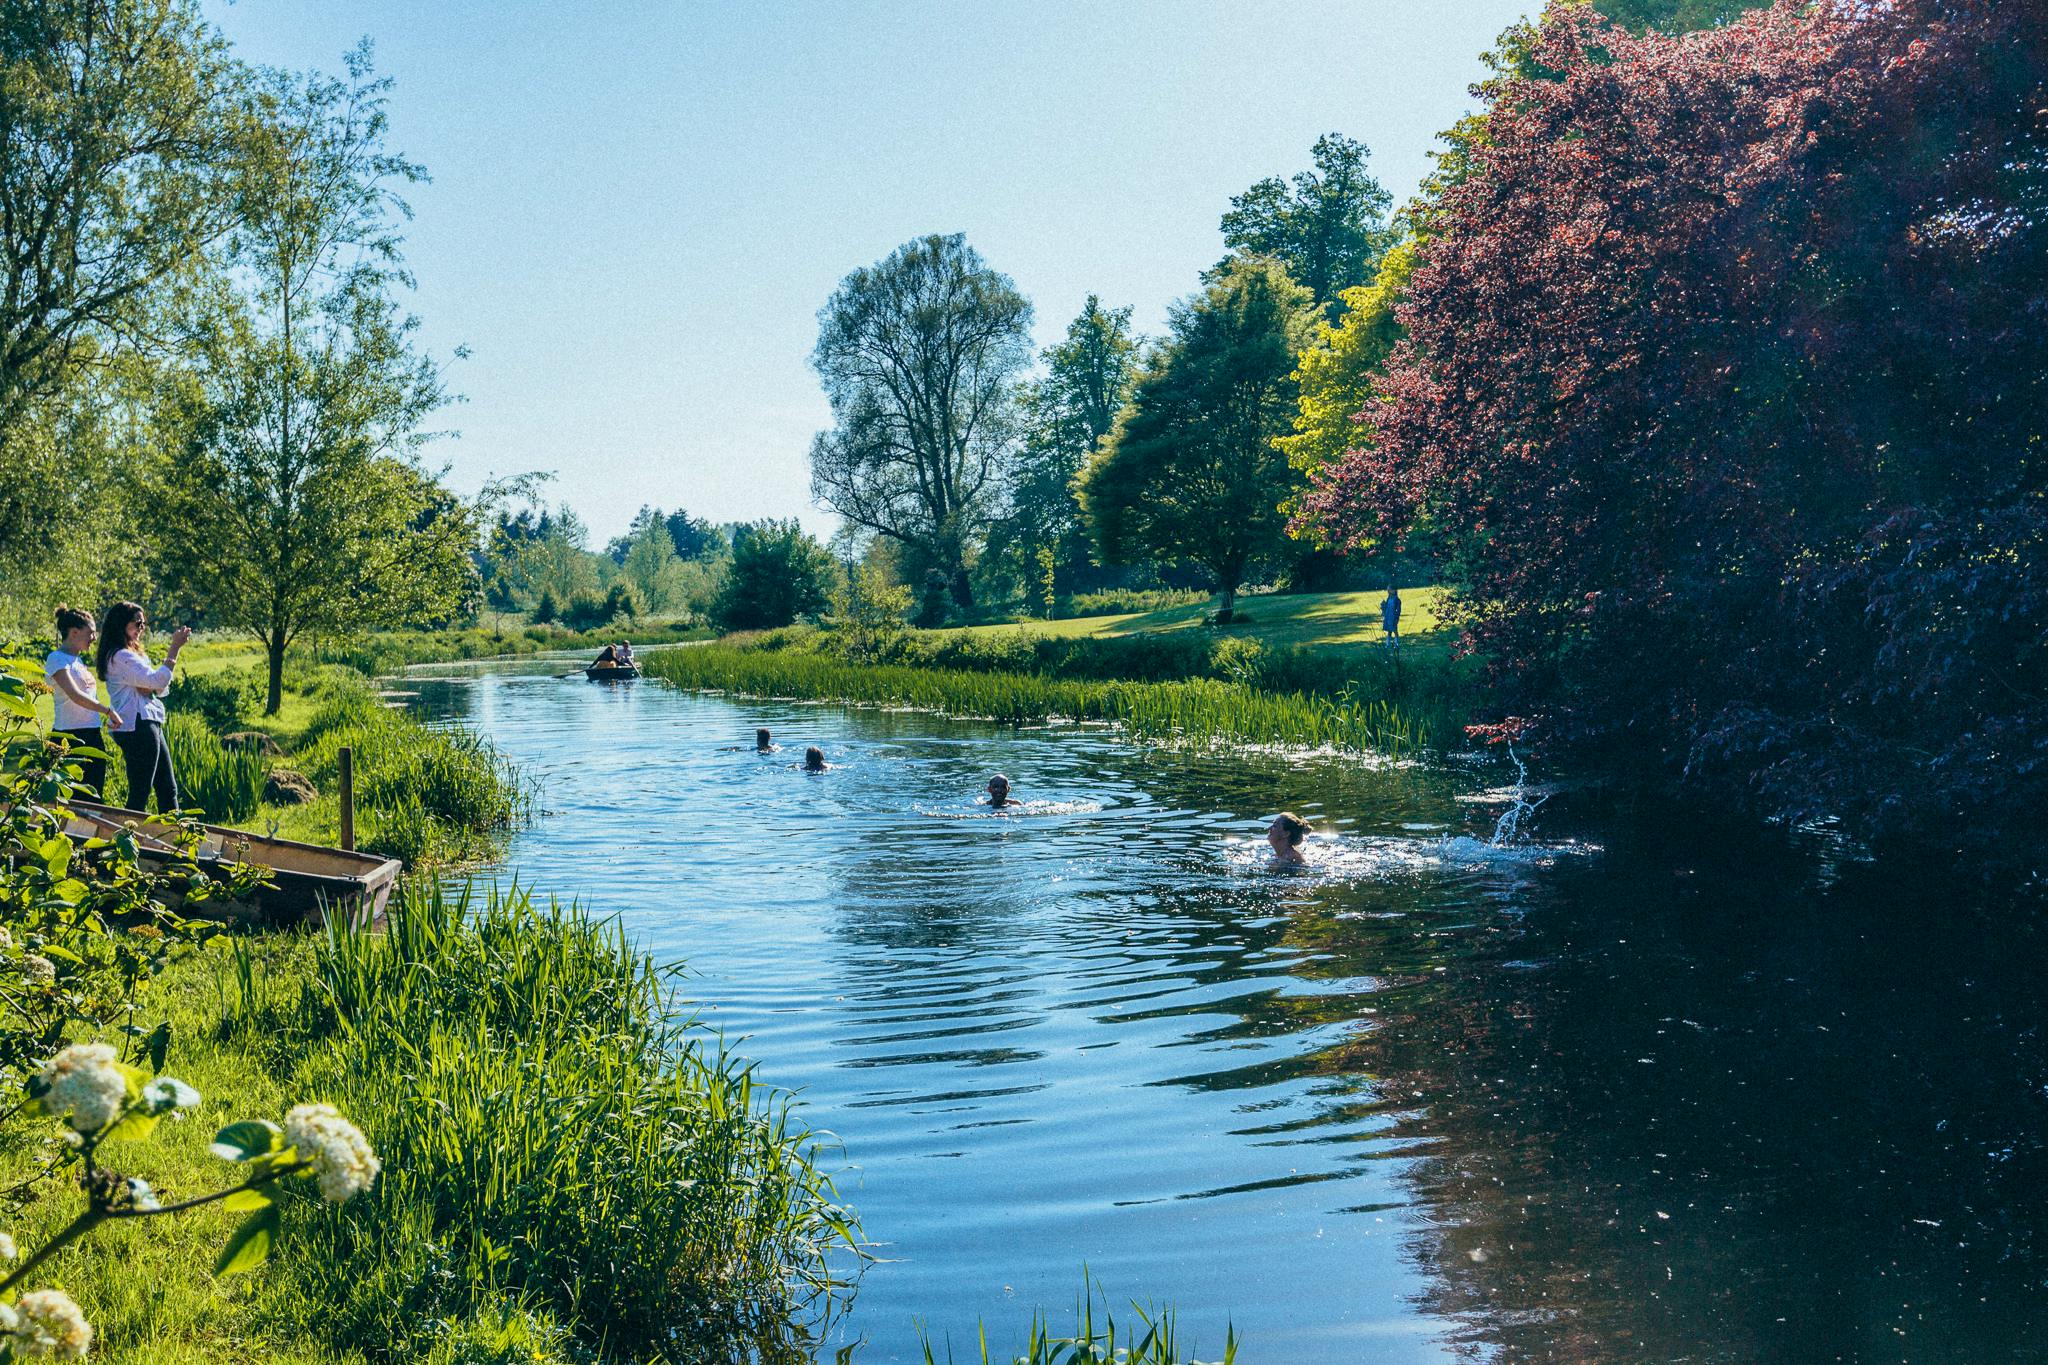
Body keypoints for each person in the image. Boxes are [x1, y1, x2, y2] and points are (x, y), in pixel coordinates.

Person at [97, 602, 187, 814]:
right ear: (121, 624)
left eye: (144, 624)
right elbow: (156, 681)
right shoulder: (121, 656)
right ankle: (126, 840)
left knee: (168, 788)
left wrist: (152, 686)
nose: (141, 628)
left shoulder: (132, 653)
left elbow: (155, 687)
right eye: (137, 623)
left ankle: (176, 839)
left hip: (147, 722)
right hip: (136, 725)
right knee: (140, 792)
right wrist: (174, 648)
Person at [44, 605, 120, 796]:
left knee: (93, 794)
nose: (94, 638)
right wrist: (108, 711)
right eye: (91, 633)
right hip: (68, 737)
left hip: (92, 734)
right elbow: (75, 695)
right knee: (71, 799)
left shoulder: (78, 661)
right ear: (75, 632)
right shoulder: (56, 659)